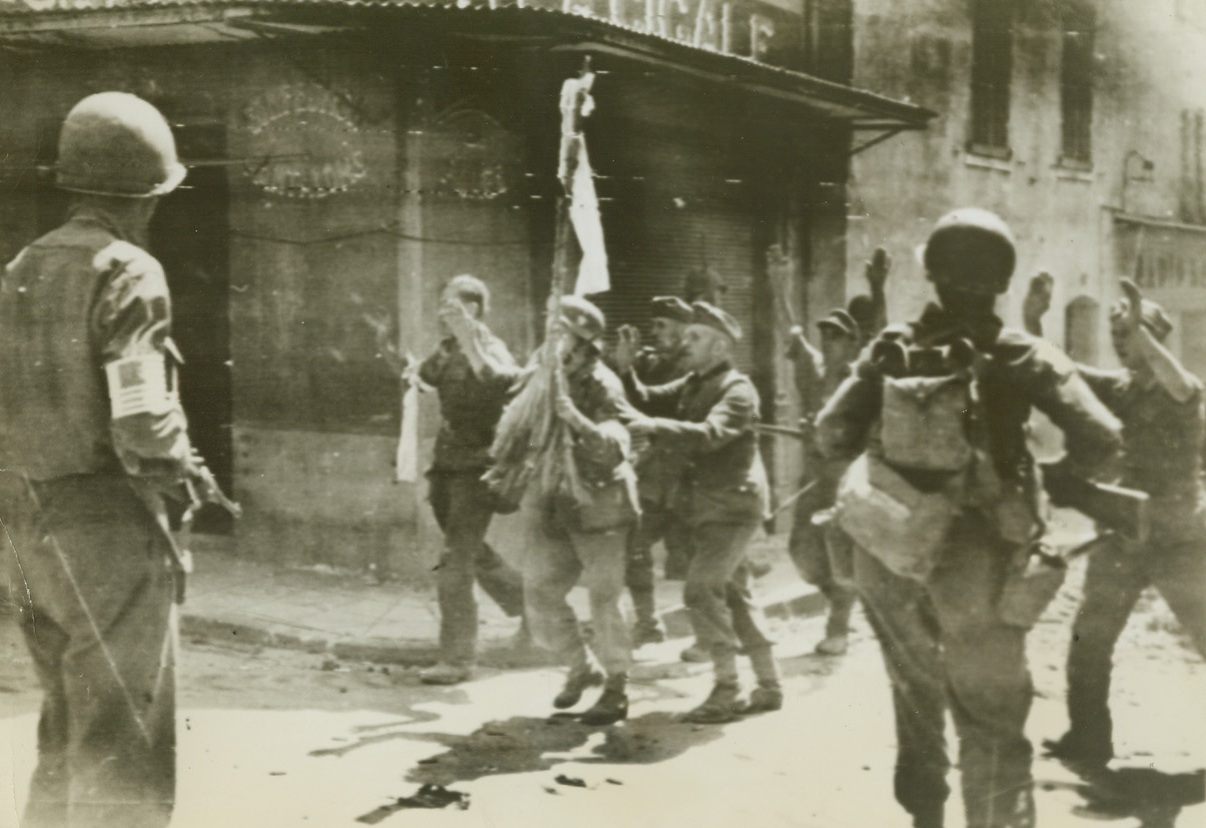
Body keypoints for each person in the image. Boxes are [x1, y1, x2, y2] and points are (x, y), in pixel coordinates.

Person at [815, 208, 1122, 828]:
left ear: (931, 273)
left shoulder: (890, 346)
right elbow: (1103, 435)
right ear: (1003, 282)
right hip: (980, 560)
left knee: (913, 692)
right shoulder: (1023, 353)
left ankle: (925, 817)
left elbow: (830, 432)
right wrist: (1052, 480)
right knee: (990, 717)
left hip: (890, 549)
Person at [0, 92, 226, 828]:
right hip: (106, 526)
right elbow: (141, 420)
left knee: (64, 724)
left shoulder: (21, 268)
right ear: (147, 195)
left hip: (26, 527)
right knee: (122, 734)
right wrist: (186, 472)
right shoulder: (129, 269)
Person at [1044, 278, 1206, 769]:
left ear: (1155, 336)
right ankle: (1088, 739)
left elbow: (1178, 381)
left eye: (1129, 333)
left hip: (1180, 534)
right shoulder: (1120, 388)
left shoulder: (1185, 389)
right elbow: (1062, 370)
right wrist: (1033, 323)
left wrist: (1144, 333)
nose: (1119, 342)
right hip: (1125, 530)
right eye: (1115, 333)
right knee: (1089, 638)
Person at [627, 303, 783, 723]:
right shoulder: (694, 383)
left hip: (733, 507)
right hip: (710, 506)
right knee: (734, 593)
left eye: (694, 337)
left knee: (701, 588)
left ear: (719, 346)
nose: (684, 342)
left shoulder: (737, 389)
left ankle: (727, 689)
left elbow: (711, 435)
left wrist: (654, 427)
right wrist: (625, 371)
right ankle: (769, 685)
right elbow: (644, 398)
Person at [404, 275, 528, 685]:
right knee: (472, 552)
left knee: (455, 561)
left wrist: (471, 340)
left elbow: (501, 382)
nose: (442, 313)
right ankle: (535, 607)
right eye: (441, 306)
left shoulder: (489, 346)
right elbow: (425, 375)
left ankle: (458, 658)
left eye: (451, 306)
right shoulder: (447, 349)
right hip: (446, 466)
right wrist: (400, 358)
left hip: (478, 469)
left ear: (473, 309)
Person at [521, 296, 638, 726]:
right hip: (558, 503)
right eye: (550, 331)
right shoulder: (547, 376)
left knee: (604, 597)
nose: (551, 340)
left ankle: (616, 686)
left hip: (601, 506)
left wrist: (575, 419)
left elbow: (615, 445)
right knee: (538, 590)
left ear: (582, 343)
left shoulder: (602, 383)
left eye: (560, 333)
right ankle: (579, 664)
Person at [613, 295, 694, 647]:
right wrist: (626, 364)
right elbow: (635, 399)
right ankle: (648, 622)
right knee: (635, 544)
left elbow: (660, 403)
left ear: (682, 330)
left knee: (697, 557)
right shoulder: (652, 362)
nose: (654, 332)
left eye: (662, 325)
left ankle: (719, 632)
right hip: (656, 475)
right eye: (655, 325)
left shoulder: (693, 366)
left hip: (688, 477)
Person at [785, 308, 863, 656]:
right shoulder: (815, 376)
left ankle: (839, 627)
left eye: (836, 336)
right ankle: (843, 601)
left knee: (839, 552)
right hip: (814, 479)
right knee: (801, 550)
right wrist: (778, 283)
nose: (828, 342)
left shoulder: (860, 381)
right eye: (825, 336)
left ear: (851, 344)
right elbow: (793, 333)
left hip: (844, 480)